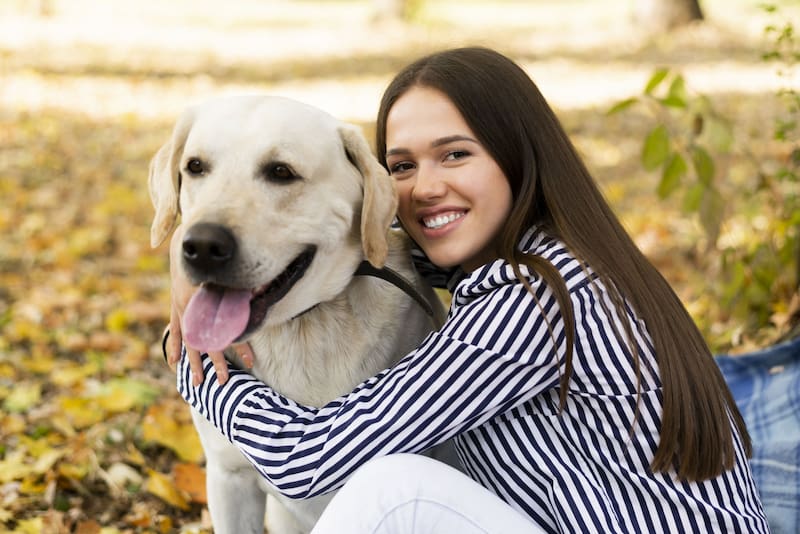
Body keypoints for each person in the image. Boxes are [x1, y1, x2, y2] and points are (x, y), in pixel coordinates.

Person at [165, 47, 770, 532]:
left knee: (390, 489)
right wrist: (195, 268)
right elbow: (367, 246)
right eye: (402, 167)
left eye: (455, 155)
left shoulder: (535, 301)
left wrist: (193, 368)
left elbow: (313, 461)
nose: (424, 188)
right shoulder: (547, 259)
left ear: (517, 156)